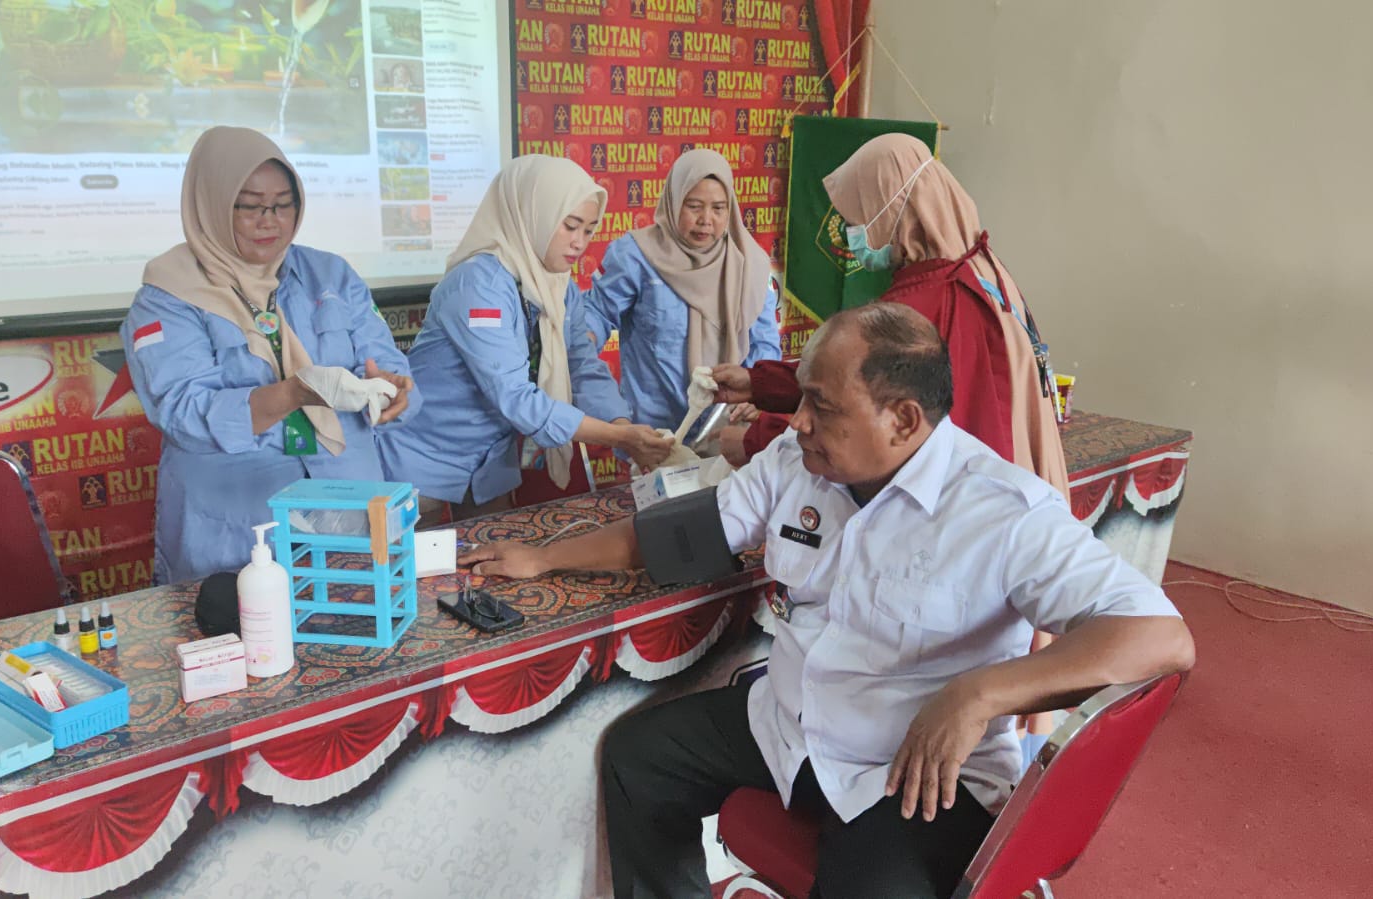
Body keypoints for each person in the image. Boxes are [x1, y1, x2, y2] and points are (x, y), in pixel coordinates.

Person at [463, 303, 1195, 899]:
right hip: (790, 722)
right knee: (637, 756)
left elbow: (1160, 638)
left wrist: (979, 692)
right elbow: (678, 532)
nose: (798, 421)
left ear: (903, 420)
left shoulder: (1000, 509)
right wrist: (543, 557)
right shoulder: (798, 461)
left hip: (912, 773)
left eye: (820, 404)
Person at [123, 126, 415, 584]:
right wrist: (292, 394)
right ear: (213, 204)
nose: (271, 220)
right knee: (245, 642)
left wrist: (393, 383)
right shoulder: (167, 296)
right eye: (251, 205)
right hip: (238, 521)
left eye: (284, 204)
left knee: (363, 635)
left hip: (349, 502)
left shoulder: (330, 274)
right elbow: (182, 411)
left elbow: (380, 356)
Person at [714, 133, 1068, 497]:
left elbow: (858, 407)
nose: (854, 236)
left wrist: (756, 439)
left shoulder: (925, 301)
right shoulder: (981, 266)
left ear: (894, 211)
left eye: (858, 220)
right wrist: (756, 383)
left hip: (958, 496)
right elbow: (866, 368)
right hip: (1015, 472)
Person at [380, 155, 671, 522]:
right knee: (415, 574)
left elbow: (580, 364)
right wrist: (618, 440)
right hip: (423, 456)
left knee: (491, 561)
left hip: (489, 464)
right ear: (534, 214)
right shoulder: (478, 284)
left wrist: (621, 425)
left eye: (589, 230)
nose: (579, 242)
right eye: (570, 226)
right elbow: (514, 396)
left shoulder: (559, 287)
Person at [583, 149, 781, 433]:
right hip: (653, 432)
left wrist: (762, 389)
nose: (706, 219)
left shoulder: (749, 264)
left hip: (728, 430)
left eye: (718, 208)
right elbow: (597, 314)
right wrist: (578, 351)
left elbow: (764, 344)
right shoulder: (636, 256)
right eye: (694, 206)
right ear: (674, 202)